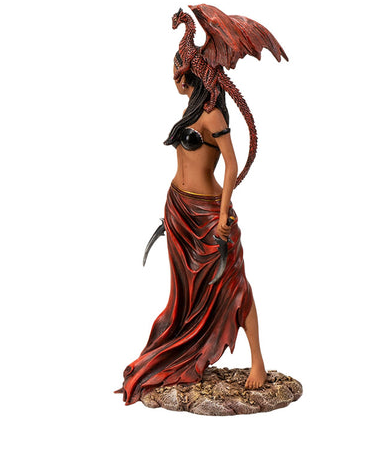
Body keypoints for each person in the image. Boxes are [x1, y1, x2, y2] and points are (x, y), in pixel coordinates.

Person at [114, 52, 267, 405]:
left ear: (195, 76)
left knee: (233, 283)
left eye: (179, 74)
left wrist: (224, 214)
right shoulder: (190, 111)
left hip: (209, 213)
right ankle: (182, 349)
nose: (176, 81)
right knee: (185, 291)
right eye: (174, 73)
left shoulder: (213, 115)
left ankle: (257, 360)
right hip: (180, 209)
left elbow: (231, 165)